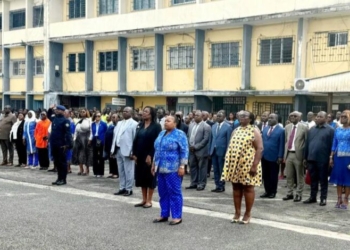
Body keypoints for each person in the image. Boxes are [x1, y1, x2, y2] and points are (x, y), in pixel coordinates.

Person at [221, 111, 263, 224]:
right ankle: (237, 212)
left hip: (248, 164)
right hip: (235, 164)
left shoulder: (254, 130)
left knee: (248, 188)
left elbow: (259, 149)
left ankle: (247, 213)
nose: (241, 118)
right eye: (240, 116)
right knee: (236, 187)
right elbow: (231, 146)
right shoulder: (236, 130)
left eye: (244, 116)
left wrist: (254, 165)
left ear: (250, 119)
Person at [152, 115, 188, 225]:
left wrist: (182, 166)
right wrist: (154, 164)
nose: (166, 122)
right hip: (160, 168)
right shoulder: (161, 133)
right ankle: (164, 214)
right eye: (165, 121)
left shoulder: (180, 134)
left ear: (175, 123)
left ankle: (177, 216)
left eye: (169, 121)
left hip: (173, 168)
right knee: (163, 192)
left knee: (174, 192)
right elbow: (157, 150)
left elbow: (184, 151)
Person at [133, 107, 162, 208]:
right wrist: (134, 153)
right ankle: (144, 199)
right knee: (141, 177)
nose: (143, 113)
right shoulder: (140, 125)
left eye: (146, 112)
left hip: (150, 155)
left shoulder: (156, 126)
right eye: (143, 111)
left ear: (151, 114)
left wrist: (151, 155)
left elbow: (157, 142)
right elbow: (135, 140)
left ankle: (149, 200)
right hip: (139, 155)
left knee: (150, 177)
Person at [303, 111, 334, 206]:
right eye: (317, 116)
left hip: (323, 159)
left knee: (323, 180)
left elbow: (332, 145)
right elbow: (307, 144)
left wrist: (330, 158)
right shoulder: (311, 129)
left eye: (320, 117)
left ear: (325, 118)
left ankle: (323, 198)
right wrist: (305, 157)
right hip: (311, 158)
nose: (318, 118)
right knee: (313, 179)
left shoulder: (330, 130)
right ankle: (313, 197)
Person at [111, 107, 138, 196]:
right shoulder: (119, 123)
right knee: (121, 170)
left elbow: (135, 139)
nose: (124, 113)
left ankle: (129, 189)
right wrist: (112, 149)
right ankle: (122, 187)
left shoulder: (134, 124)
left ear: (131, 113)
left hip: (128, 150)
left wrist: (133, 152)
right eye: (123, 111)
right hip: (118, 149)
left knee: (129, 170)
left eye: (127, 111)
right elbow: (115, 137)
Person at [283, 111, 308, 202]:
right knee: (289, 175)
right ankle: (289, 193)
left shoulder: (304, 128)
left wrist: (305, 157)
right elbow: (286, 140)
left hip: (299, 155)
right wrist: (284, 155)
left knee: (299, 175)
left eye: (295, 116)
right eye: (291, 116)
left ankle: (298, 194)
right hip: (289, 154)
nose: (292, 117)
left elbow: (306, 142)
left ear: (300, 118)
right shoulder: (287, 127)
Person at [260, 113, 285, 199]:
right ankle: (267, 191)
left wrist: (280, 156)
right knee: (265, 175)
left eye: (272, 118)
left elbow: (281, 144)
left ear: (276, 119)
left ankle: (273, 192)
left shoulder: (281, 130)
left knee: (273, 175)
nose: (269, 119)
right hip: (264, 155)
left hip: (274, 157)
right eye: (269, 118)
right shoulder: (265, 129)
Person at [329, 110, 350, 209]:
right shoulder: (337, 129)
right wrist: (331, 157)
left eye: (345, 117)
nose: (342, 118)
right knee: (338, 178)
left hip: (348, 157)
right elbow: (334, 143)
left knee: (347, 179)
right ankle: (339, 198)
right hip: (338, 156)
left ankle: (346, 199)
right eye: (341, 117)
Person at [186, 111, 211, 191]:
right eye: (195, 115)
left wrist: (196, 147)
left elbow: (206, 139)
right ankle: (194, 183)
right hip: (191, 150)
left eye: (198, 115)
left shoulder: (206, 126)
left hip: (201, 150)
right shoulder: (191, 125)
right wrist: (189, 146)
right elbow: (188, 136)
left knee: (202, 168)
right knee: (193, 167)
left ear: (202, 116)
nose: (195, 117)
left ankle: (201, 184)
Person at [209, 111, 232, 192]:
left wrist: (227, 153)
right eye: (217, 116)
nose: (218, 117)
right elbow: (211, 139)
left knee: (221, 169)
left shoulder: (228, 127)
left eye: (220, 116)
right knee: (215, 169)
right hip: (214, 151)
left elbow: (229, 141)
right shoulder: (213, 126)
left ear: (224, 117)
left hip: (222, 151)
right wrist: (209, 151)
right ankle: (217, 185)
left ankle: (221, 186)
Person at [50, 105, 73, 186]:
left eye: (59, 110)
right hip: (54, 144)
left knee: (62, 163)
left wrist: (69, 144)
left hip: (61, 145)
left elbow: (68, 133)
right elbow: (49, 115)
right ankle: (59, 178)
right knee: (57, 162)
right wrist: (50, 108)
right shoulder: (55, 119)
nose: (57, 111)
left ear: (63, 111)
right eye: (56, 110)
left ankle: (63, 179)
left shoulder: (65, 121)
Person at [72, 108, 93, 176]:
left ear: (86, 112)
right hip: (78, 138)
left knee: (86, 154)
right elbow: (76, 131)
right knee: (78, 154)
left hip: (86, 138)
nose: (82, 113)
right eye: (81, 112)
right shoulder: (78, 120)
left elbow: (91, 131)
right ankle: (81, 169)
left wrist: (90, 139)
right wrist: (74, 138)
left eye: (83, 112)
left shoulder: (89, 120)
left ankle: (87, 169)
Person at [89, 112, 108, 177]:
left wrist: (105, 142)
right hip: (95, 140)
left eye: (99, 116)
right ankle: (96, 172)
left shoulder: (104, 124)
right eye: (96, 116)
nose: (98, 117)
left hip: (101, 141)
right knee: (95, 157)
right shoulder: (92, 124)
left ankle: (101, 172)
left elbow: (106, 133)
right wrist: (90, 140)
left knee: (101, 157)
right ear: (94, 117)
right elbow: (91, 133)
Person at [104, 113, 119, 179]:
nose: (113, 118)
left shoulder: (118, 126)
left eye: (114, 117)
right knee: (111, 160)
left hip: (115, 145)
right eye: (112, 117)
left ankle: (116, 173)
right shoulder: (110, 125)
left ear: (118, 118)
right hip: (109, 145)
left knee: (115, 160)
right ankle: (112, 172)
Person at [64, 110, 75, 174]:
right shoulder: (64, 120)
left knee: (68, 154)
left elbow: (72, 131)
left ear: (69, 114)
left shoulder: (71, 122)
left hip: (69, 139)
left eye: (66, 113)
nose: (65, 114)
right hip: (63, 139)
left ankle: (68, 168)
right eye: (64, 113)